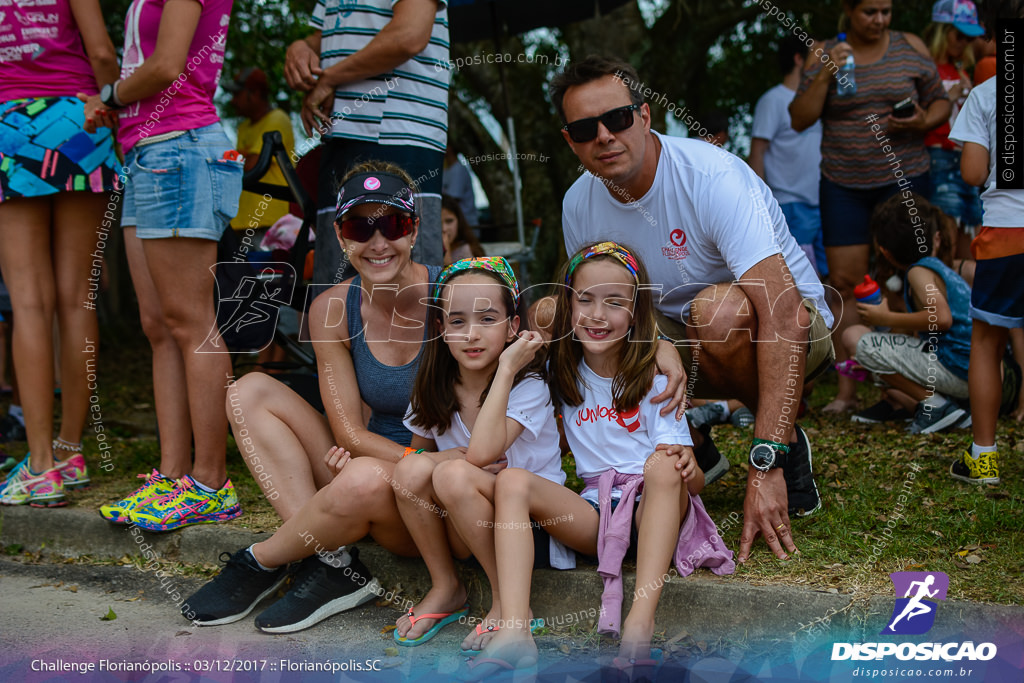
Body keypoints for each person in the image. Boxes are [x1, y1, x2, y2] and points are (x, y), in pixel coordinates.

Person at [543, 56, 833, 563]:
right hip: (669, 333)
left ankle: (780, 443)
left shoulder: (711, 176)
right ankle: (692, 444)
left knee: (715, 311)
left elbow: (784, 314)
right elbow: (594, 310)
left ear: (645, 115)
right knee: (553, 312)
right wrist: (653, 343)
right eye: (586, 129)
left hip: (789, 325)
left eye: (617, 119)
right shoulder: (578, 202)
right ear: (571, 141)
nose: (605, 137)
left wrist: (765, 466)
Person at [180, 163, 448, 633]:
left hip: (434, 489)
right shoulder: (332, 308)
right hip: (363, 459)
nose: (378, 242)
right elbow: (347, 431)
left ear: (415, 228)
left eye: (393, 224)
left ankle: (262, 560)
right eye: (359, 226)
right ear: (341, 237)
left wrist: (403, 464)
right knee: (248, 391)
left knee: (363, 477)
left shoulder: (453, 296)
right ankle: (331, 561)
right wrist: (368, 457)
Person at [467, 242, 733, 678]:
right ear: (569, 305)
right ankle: (516, 630)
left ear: (635, 312)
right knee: (512, 481)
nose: (597, 315)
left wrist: (690, 468)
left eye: (614, 303)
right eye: (585, 300)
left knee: (662, 464)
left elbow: (694, 482)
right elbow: (489, 446)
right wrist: (508, 370)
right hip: (597, 512)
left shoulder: (656, 378)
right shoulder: (559, 371)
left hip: (654, 510)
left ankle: (639, 626)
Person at [85, 0, 242, 529]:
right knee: (159, 326)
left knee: (191, 321)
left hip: (180, 147)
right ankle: (174, 479)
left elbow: (166, 66)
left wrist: (107, 96)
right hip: (148, 154)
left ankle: (210, 484)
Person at [391, 257, 571, 651]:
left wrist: (506, 369)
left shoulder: (528, 384)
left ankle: (508, 604)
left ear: (513, 327)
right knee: (409, 472)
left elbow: (482, 454)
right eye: (457, 322)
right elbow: (418, 464)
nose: (471, 334)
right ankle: (445, 586)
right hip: (467, 526)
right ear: (441, 330)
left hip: (530, 529)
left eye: (487, 320)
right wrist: (442, 460)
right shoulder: (434, 385)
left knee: (451, 474)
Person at [790, 0, 951, 414]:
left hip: (904, 178)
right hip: (844, 184)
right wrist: (825, 73)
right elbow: (799, 118)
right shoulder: (823, 51)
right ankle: (848, 391)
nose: (879, 20)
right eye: (870, 12)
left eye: (886, 10)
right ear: (848, 9)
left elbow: (940, 102)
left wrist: (921, 122)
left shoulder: (910, 45)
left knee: (910, 275)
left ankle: (906, 387)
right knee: (845, 283)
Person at [0, 0, 119, 506]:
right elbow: (101, 52)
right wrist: (111, 101)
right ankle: (71, 452)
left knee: (28, 302)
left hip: (10, 122)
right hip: (80, 120)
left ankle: (41, 462)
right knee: (79, 298)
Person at [284, 0, 450, 286]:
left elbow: (409, 34)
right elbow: (324, 34)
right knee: (335, 287)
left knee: (409, 294)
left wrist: (330, 78)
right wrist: (301, 47)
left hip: (400, 134)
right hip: (339, 139)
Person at [948, 0, 1024, 485]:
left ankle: (985, 456)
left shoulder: (987, 92)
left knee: (987, 342)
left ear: (997, 39)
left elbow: (973, 172)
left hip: (1006, 234)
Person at [842, 193, 971, 434]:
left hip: (959, 369)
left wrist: (884, 318)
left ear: (885, 252)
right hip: (969, 370)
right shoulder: (938, 269)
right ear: (937, 238)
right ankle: (945, 409)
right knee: (885, 373)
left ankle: (936, 406)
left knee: (856, 339)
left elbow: (941, 319)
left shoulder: (919, 272)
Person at [749, 35, 828, 277]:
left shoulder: (821, 99)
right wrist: (761, 206)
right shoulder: (773, 100)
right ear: (798, 59)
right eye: (819, 55)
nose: (826, 61)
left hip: (823, 202)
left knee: (830, 280)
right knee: (799, 280)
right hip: (789, 206)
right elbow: (757, 153)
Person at [922, 0, 985, 259]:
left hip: (966, 159)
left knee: (970, 241)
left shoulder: (962, 70)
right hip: (939, 157)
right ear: (941, 32)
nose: (963, 44)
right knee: (944, 240)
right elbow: (918, 116)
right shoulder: (925, 68)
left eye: (968, 39)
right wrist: (951, 97)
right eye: (959, 36)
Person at [225, 67, 295, 240]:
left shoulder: (277, 119)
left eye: (237, 94)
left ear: (254, 93)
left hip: (269, 222)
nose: (233, 101)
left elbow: (250, 165)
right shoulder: (243, 127)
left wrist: (232, 159)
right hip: (241, 222)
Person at [441, 194, 484, 265]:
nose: (444, 229)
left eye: (449, 221)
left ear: (459, 221)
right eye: (438, 223)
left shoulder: (465, 251)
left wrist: (446, 257)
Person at [442, 144, 478, 227]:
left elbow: (452, 200)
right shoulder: (446, 171)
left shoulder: (458, 169)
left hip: (466, 225)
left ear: (449, 148)